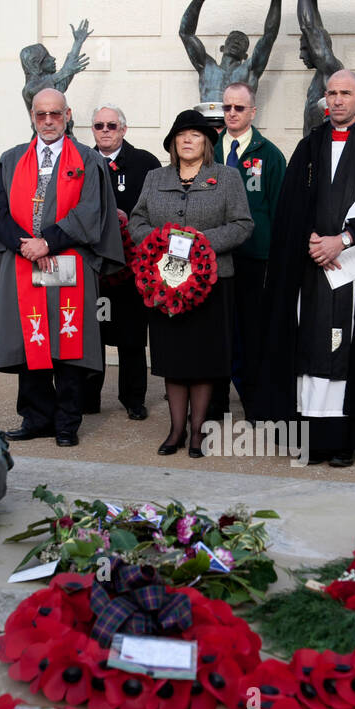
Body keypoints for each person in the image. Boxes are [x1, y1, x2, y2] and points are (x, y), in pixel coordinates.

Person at [256, 71, 355, 468]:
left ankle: (344, 438)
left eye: (345, 93)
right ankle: (310, 437)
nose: (337, 100)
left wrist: (342, 240)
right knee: (310, 345)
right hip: (311, 268)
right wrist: (310, 239)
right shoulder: (309, 146)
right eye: (331, 93)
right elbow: (291, 207)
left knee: (344, 349)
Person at [0, 88, 122, 447]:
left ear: (68, 115)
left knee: (68, 344)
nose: (48, 120)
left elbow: (91, 210)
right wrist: (25, 245)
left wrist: (49, 241)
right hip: (24, 263)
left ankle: (66, 423)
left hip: (69, 263)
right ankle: (36, 418)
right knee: (32, 341)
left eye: (55, 114)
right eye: (41, 114)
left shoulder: (88, 160)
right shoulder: (11, 160)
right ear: (32, 116)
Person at [127, 109, 253, 457]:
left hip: (210, 284)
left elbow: (243, 225)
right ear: (171, 143)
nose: (187, 140)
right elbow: (136, 223)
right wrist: (159, 240)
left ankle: (198, 432)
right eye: (181, 135)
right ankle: (175, 430)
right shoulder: (154, 177)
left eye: (195, 135)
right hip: (164, 285)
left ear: (207, 143)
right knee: (173, 358)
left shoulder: (226, 178)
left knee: (203, 359)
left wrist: (200, 244)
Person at [208, 83, 287, 421]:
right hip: (211, 257)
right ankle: (215, 401)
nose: (232, 113)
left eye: (239, 108)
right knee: (216, 331)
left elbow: (281, 209)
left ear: (253, 112)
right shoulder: (207, 150)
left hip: (255, 258)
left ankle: (255, 401)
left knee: (252, 332)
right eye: (227, 108)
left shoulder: (268, 154)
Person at [82, 104, 161, 421]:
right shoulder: (80, 162)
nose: (105, 131)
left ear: (123, 129)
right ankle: (88, 398)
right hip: (93, 268)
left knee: (131, 337)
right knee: (92, 336)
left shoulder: (145, 163)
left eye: (111, 125)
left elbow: (157, 208)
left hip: (132, 268)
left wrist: (131, 221)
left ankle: (133, 399)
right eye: (99, 125)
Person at [179, 0, 284, 103]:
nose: (236, 42)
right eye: (232, 39)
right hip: (208, 120)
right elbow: (186, 33)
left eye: (242, 42)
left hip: (237, 121)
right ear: (222, 48)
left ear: (245, 55)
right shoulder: (207, 66)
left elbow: (269, 37)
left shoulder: (248, 70)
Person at [19, 20, 92, 132]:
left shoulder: (52, 85)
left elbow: (69, 68)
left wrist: (78, 42)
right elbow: (64, 72)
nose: (53, 59)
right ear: (36, 64)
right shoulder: (30, 89)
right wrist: (64, 72)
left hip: (66, 141)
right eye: (47, 58)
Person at [297, 0, 344, 135]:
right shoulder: (322, 71)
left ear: (316, 49)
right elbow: (317, 28)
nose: (301, 56)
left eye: (304, 49)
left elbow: (309, 27)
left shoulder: (330, 68)